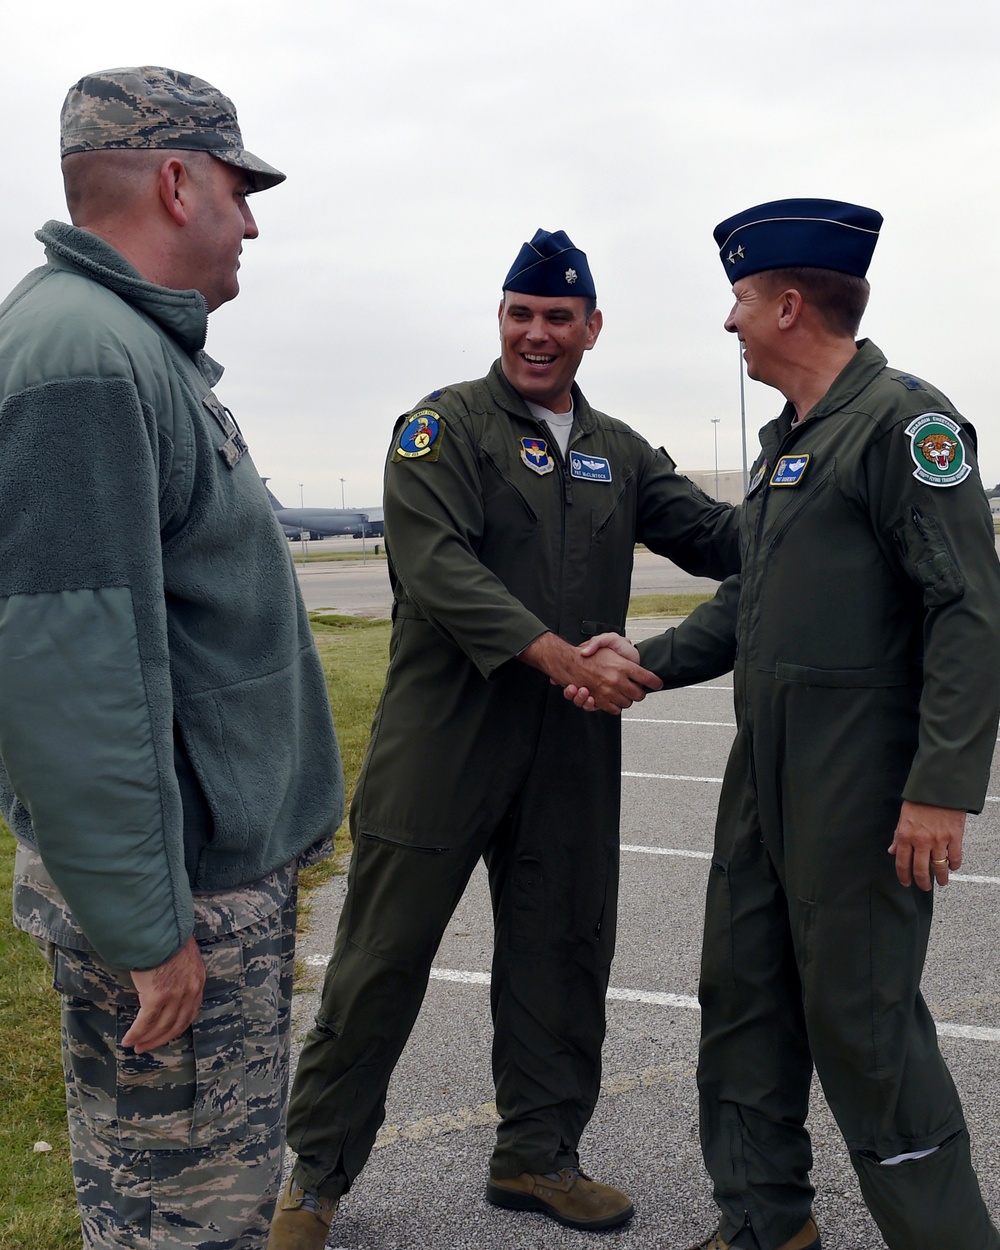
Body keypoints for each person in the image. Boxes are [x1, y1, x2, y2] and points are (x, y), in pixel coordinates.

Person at [267, 228, 741, 1247]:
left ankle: (537, 1153)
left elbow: (718, 535)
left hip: (568, 750)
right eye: (519, 313)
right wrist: (571, 659)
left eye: (557, 317)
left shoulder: (618, 449)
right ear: (501, 319)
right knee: (380, 958)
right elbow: (437, 570)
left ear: (591, 329)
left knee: (563, 949)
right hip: (443, 738)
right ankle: (314, 1176)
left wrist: (818, 502)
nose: (536, 333)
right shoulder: (441, 429)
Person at [576, 198, 1000, 1250]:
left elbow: (968, 610)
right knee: (744, 997)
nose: (729, 323)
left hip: (859, 786)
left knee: (864, 1029)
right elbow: (749, 598)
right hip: (762, 777)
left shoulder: (908, 424)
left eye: (739, 300)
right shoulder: (787, 446)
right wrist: (644, 662)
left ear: (790, 303)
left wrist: (940, 783)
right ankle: (764, 1218)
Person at [0, 67, 344, 1249]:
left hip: (191, 876)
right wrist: (151, 931)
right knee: (178, 1217)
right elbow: (73, 674)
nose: (252, 218)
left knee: (205, 1201)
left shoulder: (121, 347)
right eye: (240, 188)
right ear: (177, 177)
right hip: (173, 895)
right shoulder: (85, 362)